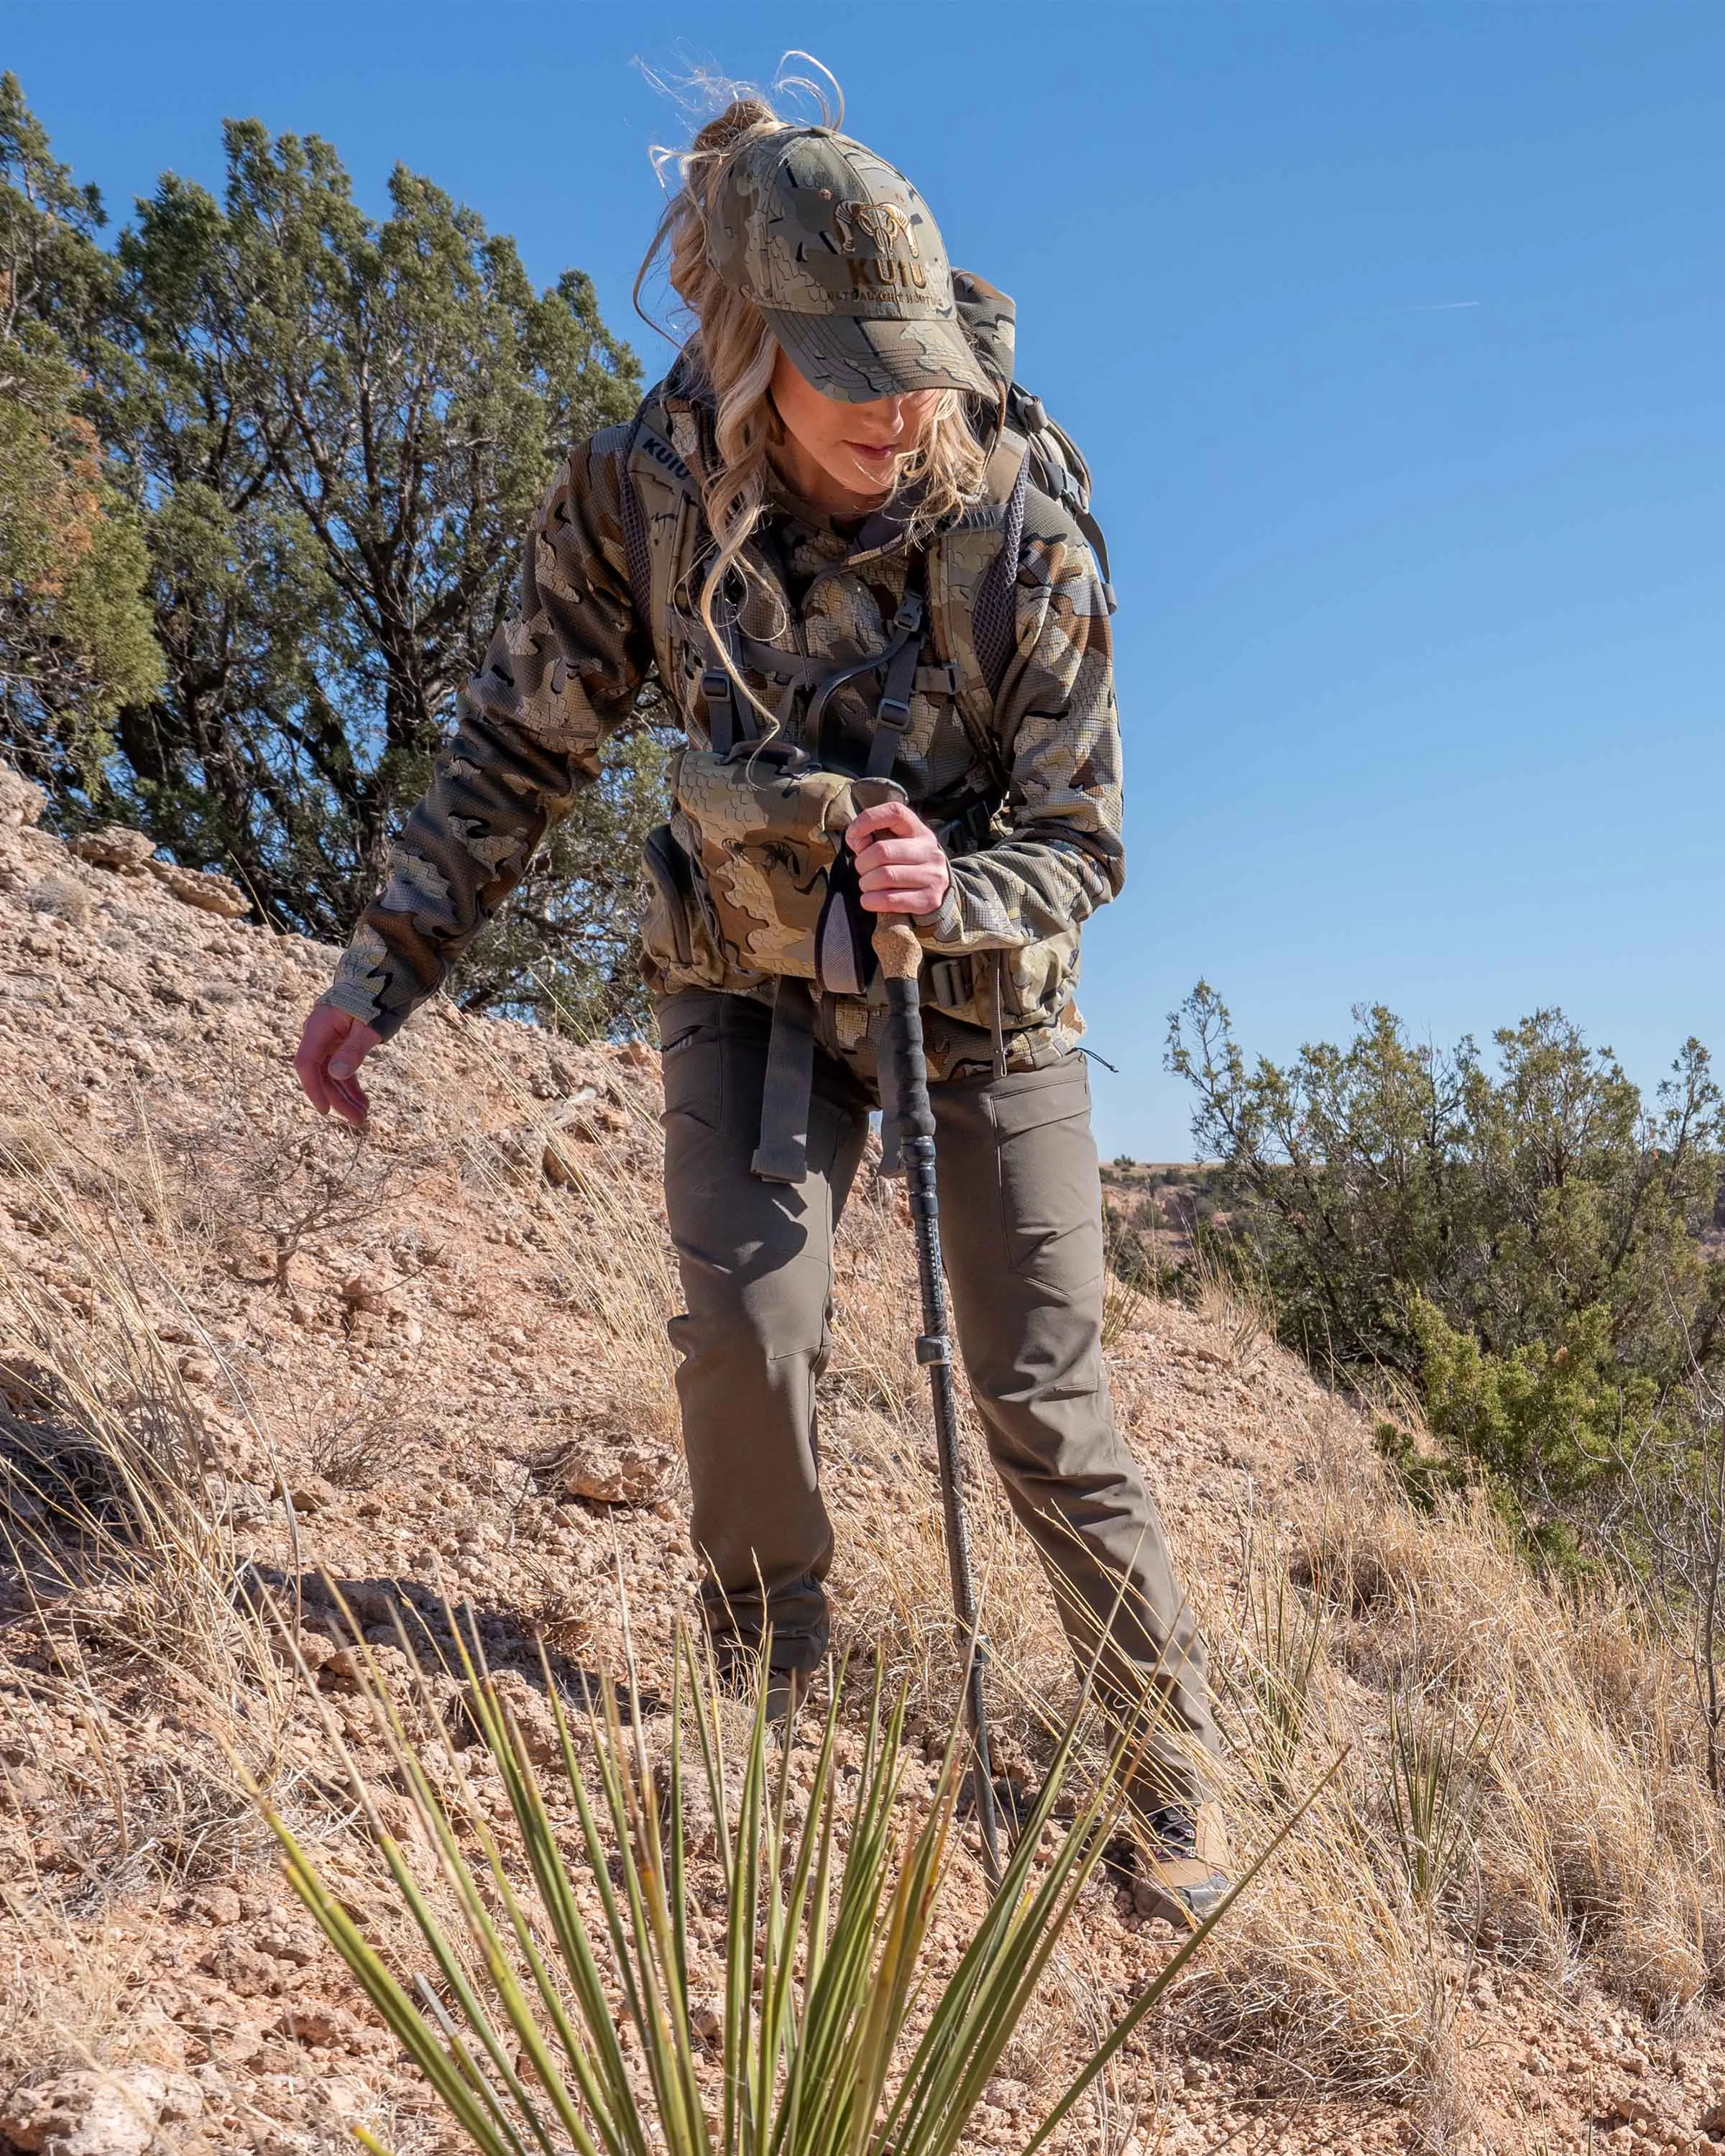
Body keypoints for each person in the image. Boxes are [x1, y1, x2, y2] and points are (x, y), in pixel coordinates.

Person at [294, 88, 1228, 1925]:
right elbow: (518, 738)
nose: (896, 404)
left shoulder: (1023, 513)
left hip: (982, 995)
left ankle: (1159, 1768)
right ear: (750, 350)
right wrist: (381, 965)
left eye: (915, 364)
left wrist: (956, 888)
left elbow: (1087, 834)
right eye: (846, 369)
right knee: (745, 1317)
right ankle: (767, 1678)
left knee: (1040, 1389)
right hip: (746, 969)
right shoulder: (642, 489)